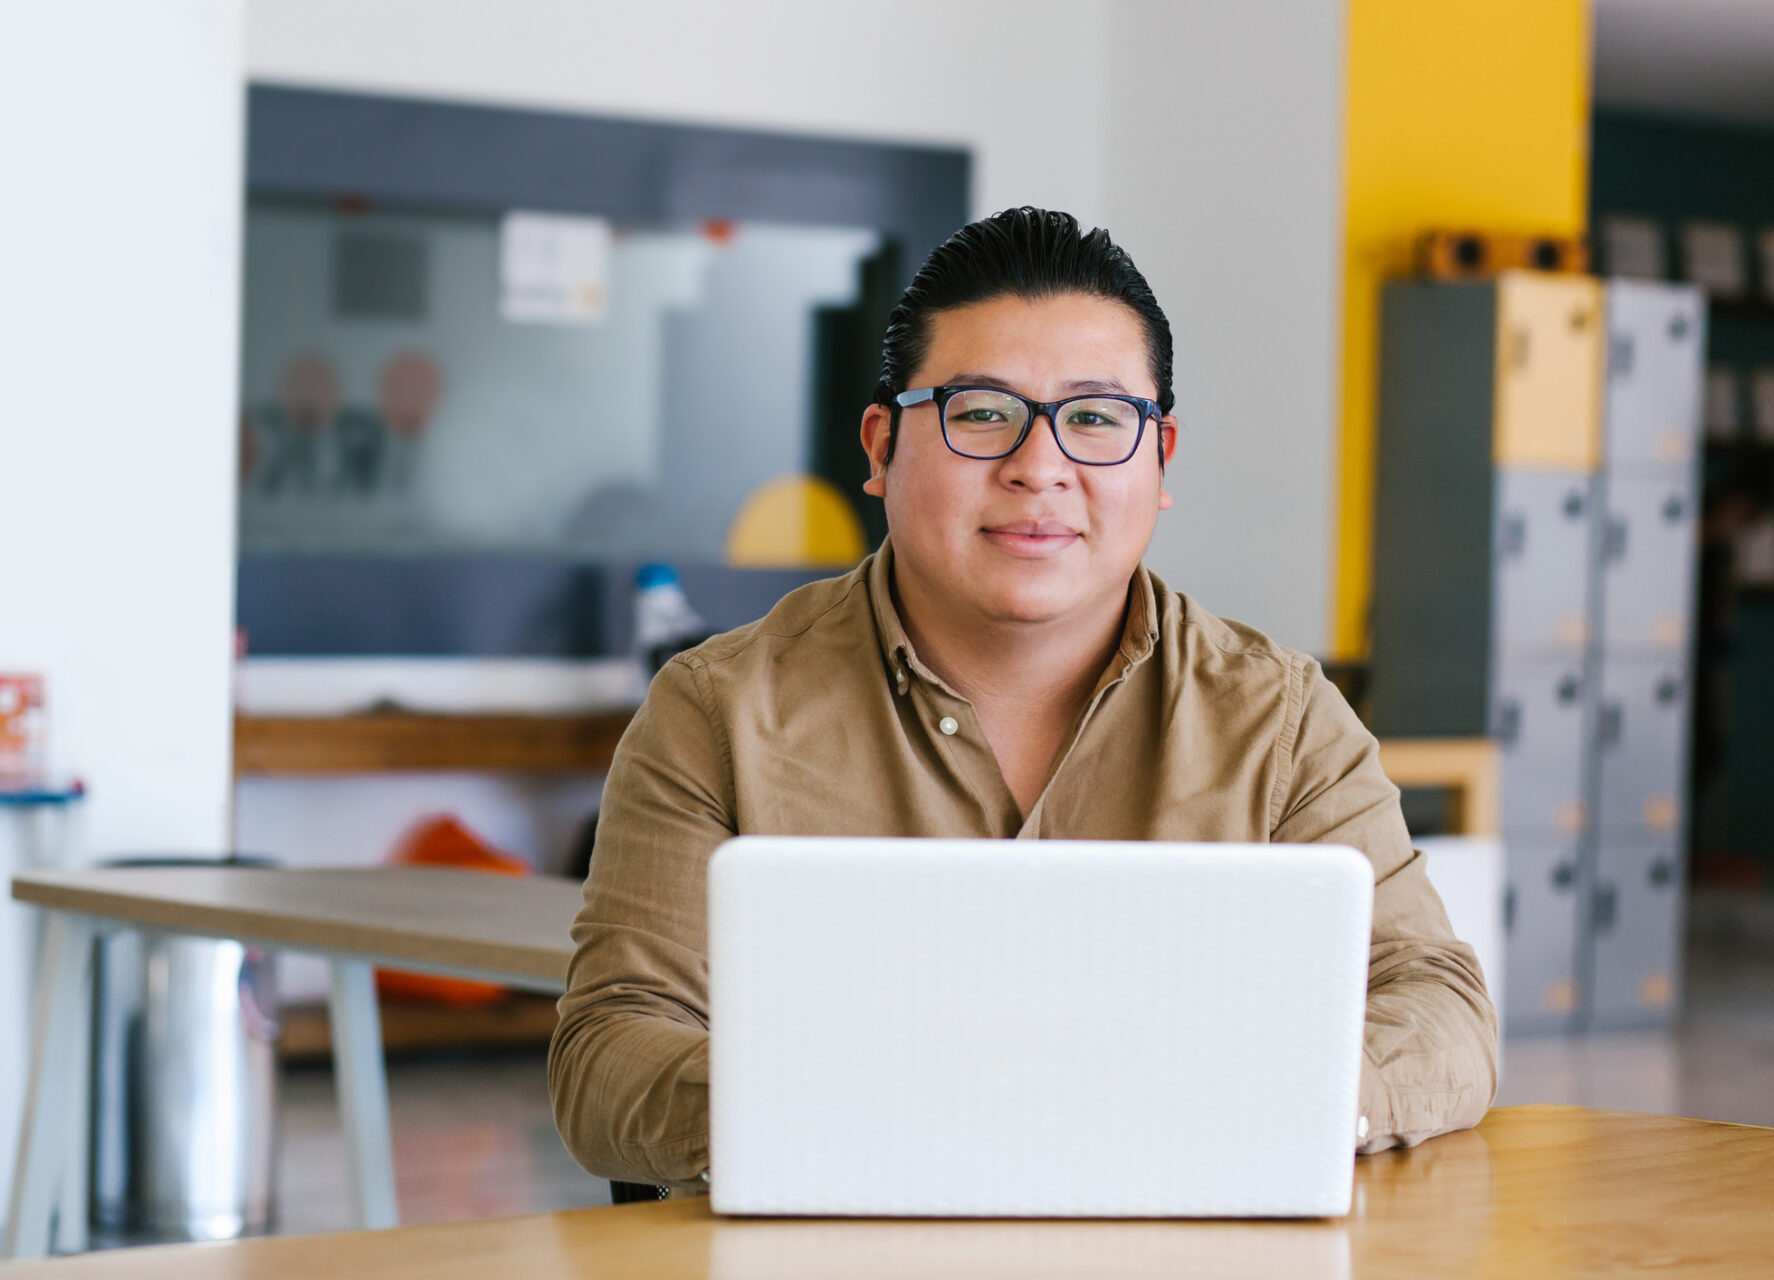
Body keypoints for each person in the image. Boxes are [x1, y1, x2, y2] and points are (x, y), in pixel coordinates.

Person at [550, 207, 1497, 1192]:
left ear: (1160, 455)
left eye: (1095, 418)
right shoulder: (718, 710)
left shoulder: (1283, 720)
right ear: (880, 447)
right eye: (981, 410)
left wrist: (1268, 1100)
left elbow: (1436, 1004)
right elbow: (612, 1048)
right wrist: (876, 1118)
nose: (1039, 465)